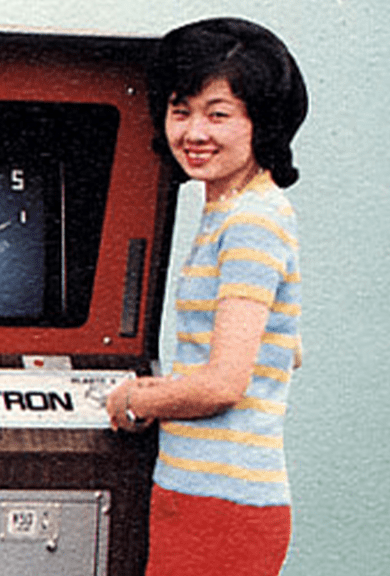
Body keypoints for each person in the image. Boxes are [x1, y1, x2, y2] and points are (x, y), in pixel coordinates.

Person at [106, 17, 307, 576]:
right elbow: (287, 348)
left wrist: (135, 400)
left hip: (223, 506)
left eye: (218, 114)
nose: (194, 132)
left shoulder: (251, 221)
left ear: (260, 120)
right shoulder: (233, 211)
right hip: (199, 493)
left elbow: (224, 383)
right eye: (180, 109)